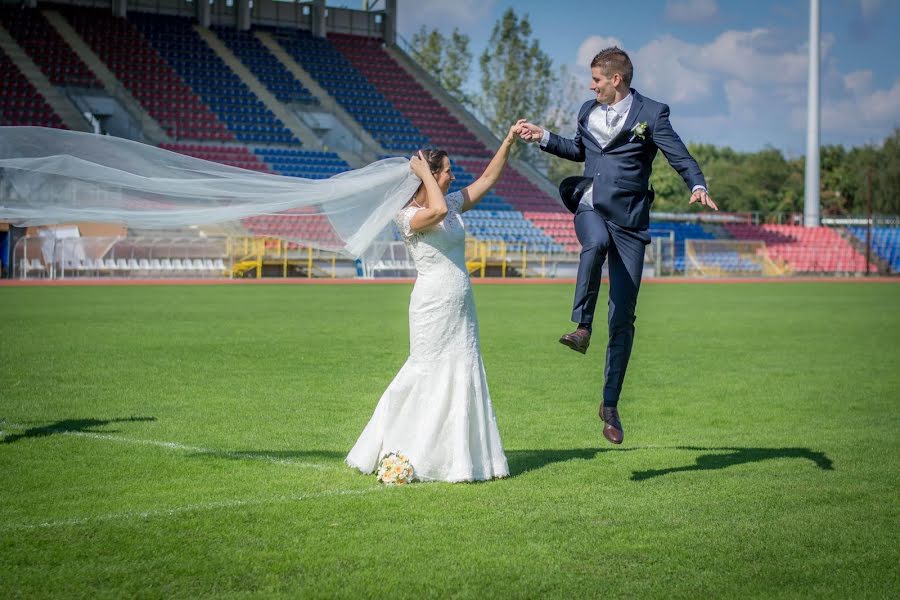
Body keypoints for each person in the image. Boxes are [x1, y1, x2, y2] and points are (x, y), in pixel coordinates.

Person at [518, 47, 718, 445]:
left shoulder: (652, 113)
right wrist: (543, 137)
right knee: (592, 245)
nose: (590, 86)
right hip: (590, 203)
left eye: (596, 80)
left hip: (629, 220)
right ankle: (582, 327)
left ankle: (610, 405)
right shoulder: (586, 110)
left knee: (623, 318)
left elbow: (678, 155)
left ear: (616, 80)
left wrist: (696, 184)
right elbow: (580, 150)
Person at [346, 120, 526, 482]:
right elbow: (438, 211)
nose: (451, 177)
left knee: (462, 370)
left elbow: (487, 180)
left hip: (461, 307)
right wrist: (424, 176)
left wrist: (507, 141)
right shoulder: (410, 216)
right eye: (446, 172)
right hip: (431, 306)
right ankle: (393, 444)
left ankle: (460, 458)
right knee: (424, 370)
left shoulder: (454, 204)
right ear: (429, 176)